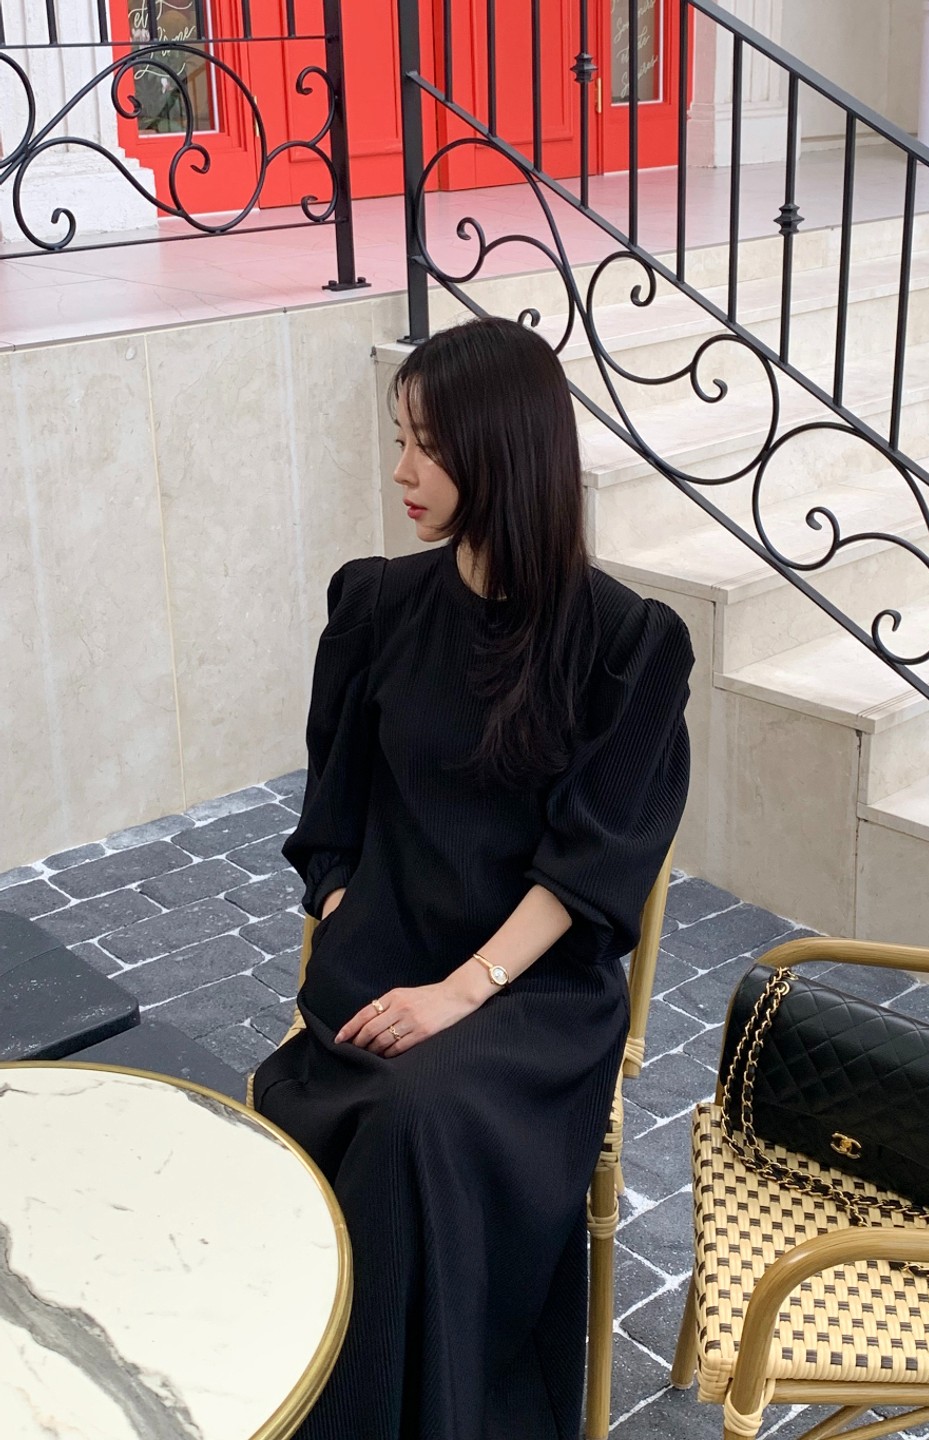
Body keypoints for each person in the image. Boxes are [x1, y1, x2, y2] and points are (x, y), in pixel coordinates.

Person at [253, 315, 694, 1440]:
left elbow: (596, 859)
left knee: (417, 1121)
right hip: (386, 956)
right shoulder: (378, 606)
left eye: (430, 447)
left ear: (504, 454)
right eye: (399, 439)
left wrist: (461, 991)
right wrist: (345, 909)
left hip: (533, 991)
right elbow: (332, 807)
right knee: (345, 1110)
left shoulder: (626, 645)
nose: (403, 472)